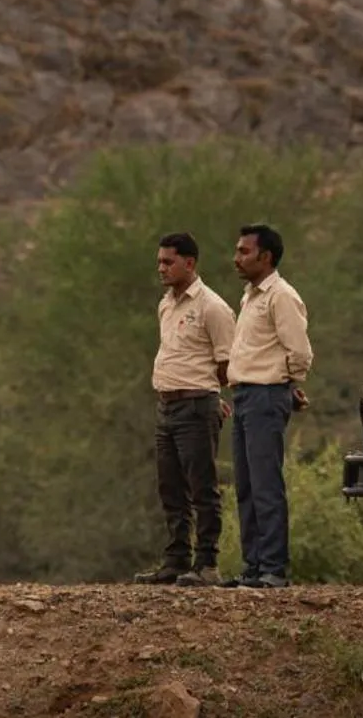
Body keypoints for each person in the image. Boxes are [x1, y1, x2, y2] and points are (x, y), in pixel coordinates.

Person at [134, 231, 237, 588]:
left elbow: (228, 363)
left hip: (195, 407)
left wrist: (210, 396)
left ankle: (207, 563)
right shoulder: (166, 304)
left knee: (202, 488)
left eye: (168, 261)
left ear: (189, 263)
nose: (160, 267)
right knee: (171, 487)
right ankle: (176, 560)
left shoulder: (212, 307)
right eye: (159, 260)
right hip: (167, 406)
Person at [225, 222, 313, 589]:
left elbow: (300, 351)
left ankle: (273, 569)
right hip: (244, 394)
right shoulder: (250, 295)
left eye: (244, 251)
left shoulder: (281, 295)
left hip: (264, 396)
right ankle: (253, 567)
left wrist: (287, 384)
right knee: (245, 484)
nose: (236, 258)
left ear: (266, 256)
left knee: (265, 483)